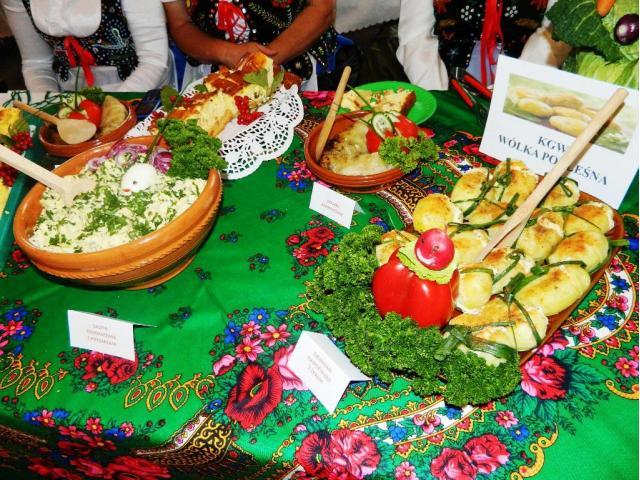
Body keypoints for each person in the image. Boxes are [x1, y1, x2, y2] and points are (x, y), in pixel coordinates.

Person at [1, 0, 173, 92]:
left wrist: (112, 110)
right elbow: (36, 64)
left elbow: (154, 61)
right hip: (69, 95)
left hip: (141, 89)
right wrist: (51, 104)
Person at [396, 0, 571, 90]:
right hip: (447, 77)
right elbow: (416, 37)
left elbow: (555, 32)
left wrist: (518, 90)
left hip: (527, 72)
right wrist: (438, 96)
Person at [162, 0, 337, 89]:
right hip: (213, 71)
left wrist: (262, 61)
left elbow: (322, 7)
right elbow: (180, 24)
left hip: (295, 61)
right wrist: (226, 53)